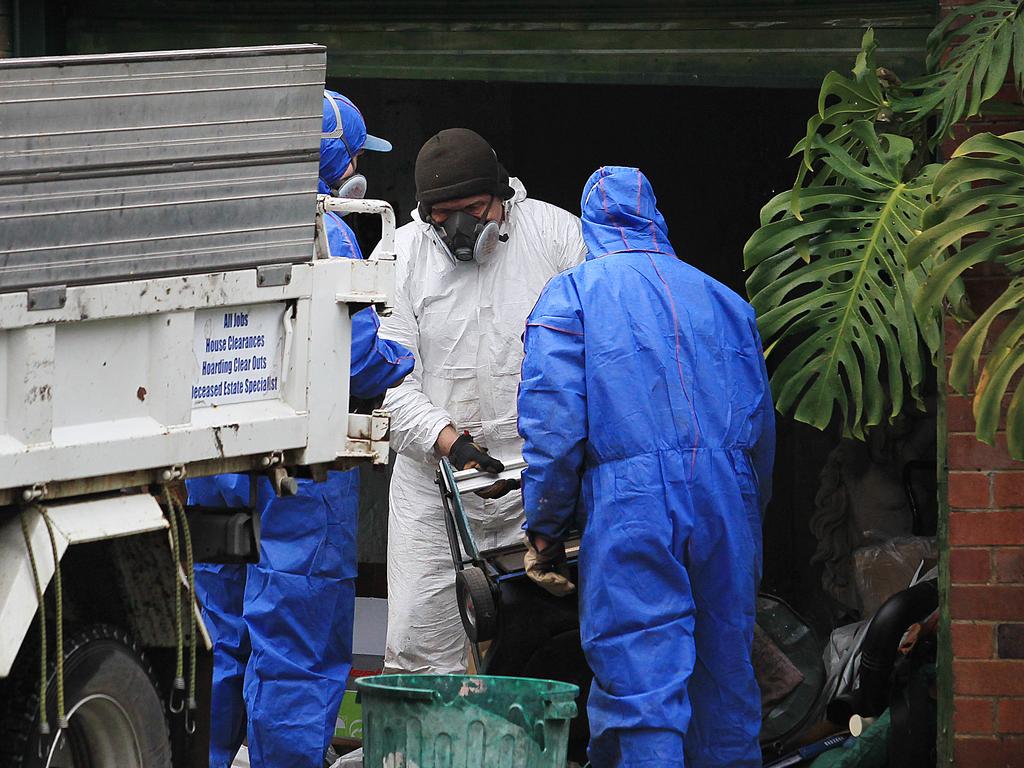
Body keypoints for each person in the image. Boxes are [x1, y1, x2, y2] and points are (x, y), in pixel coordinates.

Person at [517, 166, 775, 768]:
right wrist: (746, 524)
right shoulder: (727, 302)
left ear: (591, 226)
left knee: (642, 687)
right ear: (656, 217)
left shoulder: (573, 295)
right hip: (728, 501)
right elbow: (762, 433)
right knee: (727, 684)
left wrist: (546, 527)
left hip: (632, 503)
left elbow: (553, 428)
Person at [189, 90, 413, 768]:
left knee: (219, 641)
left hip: (212, 467)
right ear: (336, 160)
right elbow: (354, 359)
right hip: (296, 479)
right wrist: (401, 353)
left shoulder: (212, 222)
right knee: (295, 645)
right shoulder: (331, 230)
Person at [376, 128, 587, 674]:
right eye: (445, 215)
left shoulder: (558, 236)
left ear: (502, 194)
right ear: (425, 214)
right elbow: (384, 376)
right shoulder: (399, 253)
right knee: (422, 647)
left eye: (474, 208)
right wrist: (453, 444)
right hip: (435, 482)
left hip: (538, 481)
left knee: (543, 642)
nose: (463, 226)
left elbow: (594, 356)